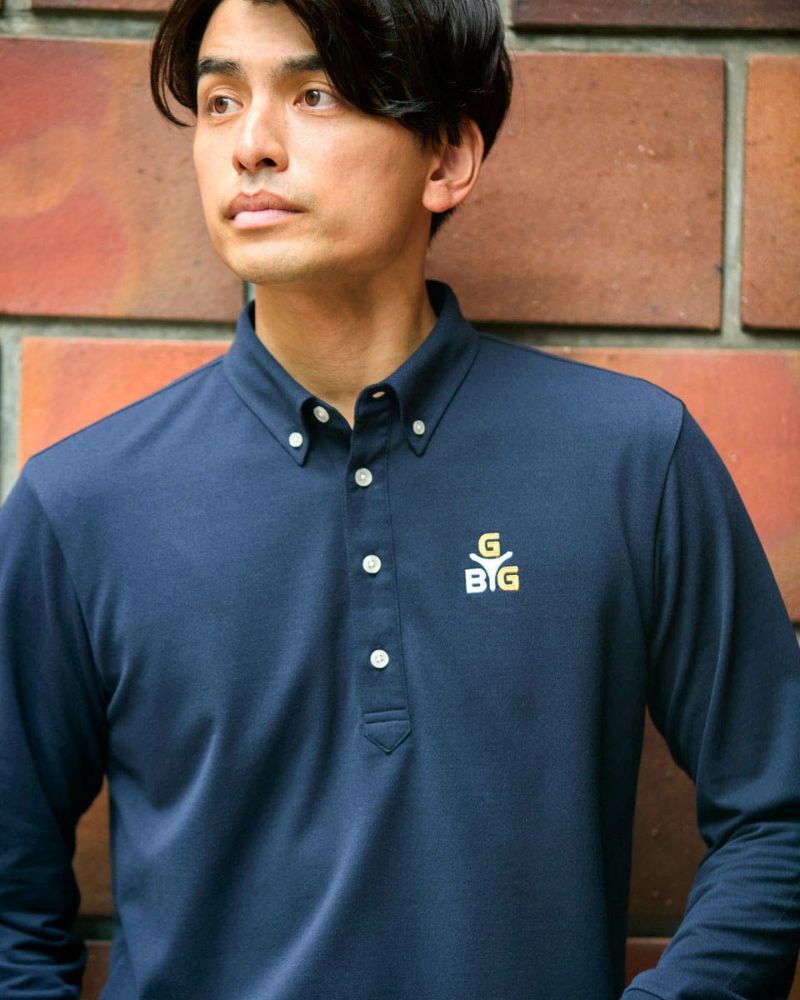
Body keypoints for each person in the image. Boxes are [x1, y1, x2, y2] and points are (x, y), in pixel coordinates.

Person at [0, 0, 798, 996]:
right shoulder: (81, 505)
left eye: (314, 94)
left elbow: (778, 817)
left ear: (446, 157)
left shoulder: (630, 460)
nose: (251, 145)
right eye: (219, 101)